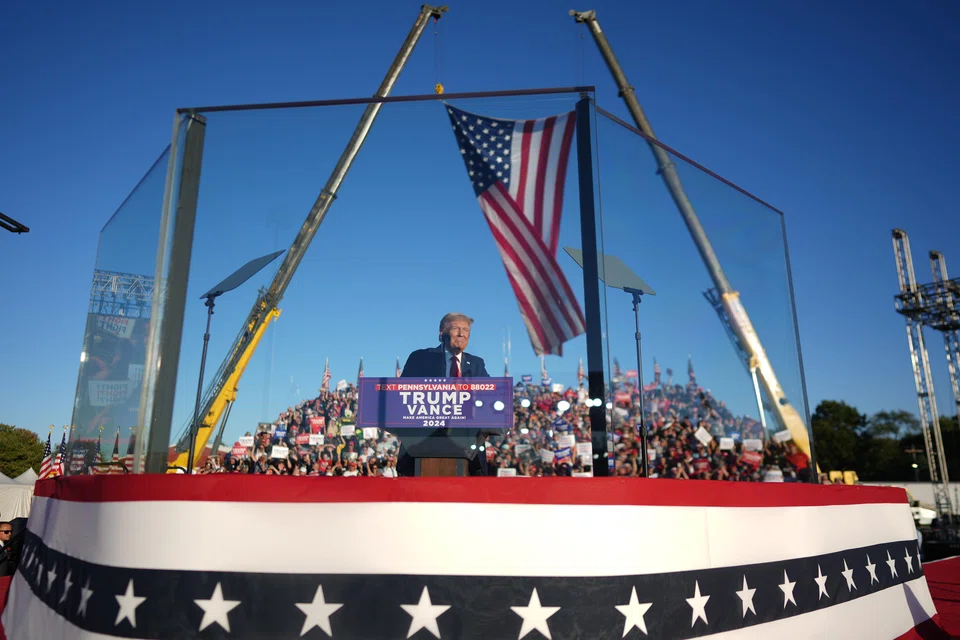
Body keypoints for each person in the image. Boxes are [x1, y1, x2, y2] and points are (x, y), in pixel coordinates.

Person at [397, 313, 491, 476]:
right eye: (456, 328)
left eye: (466, 330)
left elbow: (491, 394)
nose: (462, 334)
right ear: (442, 333)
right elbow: (401, 394)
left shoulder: (476, 364)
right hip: (423, 443)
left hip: (467, 448)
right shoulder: (421, 358)